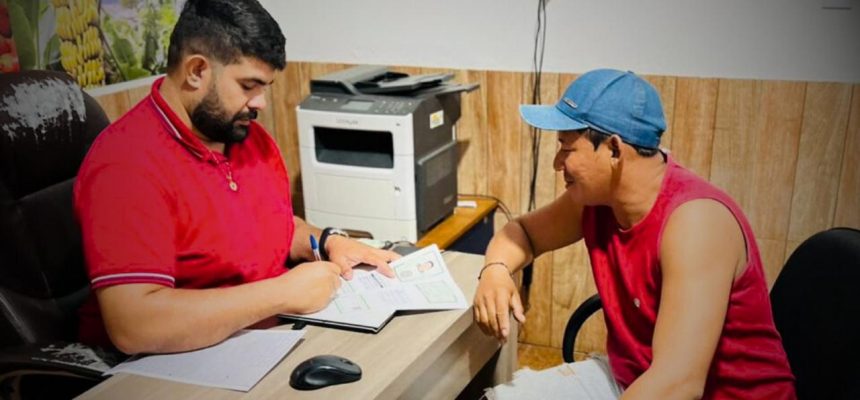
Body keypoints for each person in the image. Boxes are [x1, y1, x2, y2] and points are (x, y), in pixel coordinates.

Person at [74, 0, 398, 355]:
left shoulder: (246, 137)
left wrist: (329, 241)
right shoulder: (126, 164)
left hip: (271, 337)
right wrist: (282, 294)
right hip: (174, 363)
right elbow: (135, 326)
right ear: (197, 70)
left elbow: (275, 226)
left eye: (265, 87)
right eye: (249, 86)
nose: (260, 103)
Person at [474, 69, 796, 398]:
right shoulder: (597, 199)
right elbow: (524, 233)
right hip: (636, 376)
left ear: (614, 149)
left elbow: (678, 384)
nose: (558, 163)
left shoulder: (696, 223)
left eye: (567, 149)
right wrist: (496, 270)